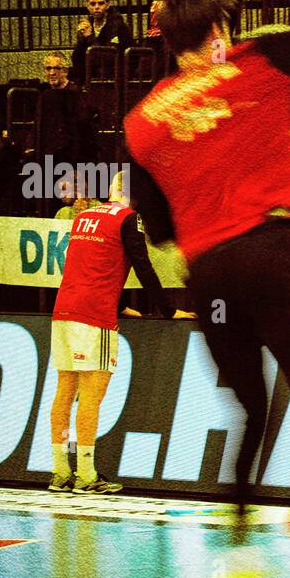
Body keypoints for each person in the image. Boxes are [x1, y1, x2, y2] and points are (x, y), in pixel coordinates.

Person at [124, 0, 290, 578]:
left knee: (250, 410)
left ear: (168, 41)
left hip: (209, 275)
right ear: (220, 30)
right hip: (273, 249)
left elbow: (158, 228)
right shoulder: (260, 63)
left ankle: (238, 563)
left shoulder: (141, 124)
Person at [49, 180, 191, 496]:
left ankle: (60, 473)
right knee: (90, 396)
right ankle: (86, 475)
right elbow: (143, 266)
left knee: (64, 393)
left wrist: (121, 305)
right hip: (94, 315)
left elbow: (90, 264)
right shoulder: (128, 218)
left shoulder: (85, 217)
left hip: (64, 308)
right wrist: (168, 310)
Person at [71, 0, 134, 85]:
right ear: (87, 6)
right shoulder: (87, 24)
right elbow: (76, 58)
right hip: (92, 74)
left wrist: (89, 37)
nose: (96, 7)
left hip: (116, 76)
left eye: (101, 3)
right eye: (92, 4)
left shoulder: (117, 24)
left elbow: (109, 58)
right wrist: (82, 39)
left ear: (107, 5)